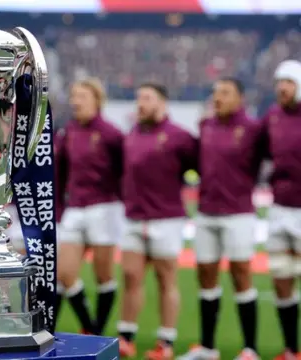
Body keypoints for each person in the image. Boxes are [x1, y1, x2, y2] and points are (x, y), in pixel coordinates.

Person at [177, 78, 263, 360]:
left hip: (238, 213)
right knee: (206, 277)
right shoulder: (206, 125)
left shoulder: (252, 129)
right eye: (215, 93)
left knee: (241, 275)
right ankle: (207, 347)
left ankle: (250, 348)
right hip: (206, 212)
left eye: (225, 93)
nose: (218, 98)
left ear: (240, 98)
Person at [117, 83, 197, 359]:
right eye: (139, 97)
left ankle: (166, 342)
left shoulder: (180, 137)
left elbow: (200, 166)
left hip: (167, 219)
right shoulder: (132, 135)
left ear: (162, 103)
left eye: (147, 98)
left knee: (166, 280)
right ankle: (126, 337)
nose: (140, 103)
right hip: (134, 218)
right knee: (130, 277)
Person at [56, 78, 124, 336]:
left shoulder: (111, 134)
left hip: (104, 208)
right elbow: (60, 174)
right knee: (64, 273)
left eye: (82, 96)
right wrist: (60, 210)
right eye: (74, 96)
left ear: (97, 100)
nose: (76, 101)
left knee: (103, 275)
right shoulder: (69, 132)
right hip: (74, 209)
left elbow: (124, 172)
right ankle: (91, 326)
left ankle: (98, 330)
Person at [263, 59, 301, 360]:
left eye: (287, 82)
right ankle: (291, 349)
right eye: (279, 83)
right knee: (281, 278)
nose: (282, 88)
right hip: (278, 209)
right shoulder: (272, 118)